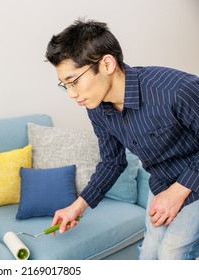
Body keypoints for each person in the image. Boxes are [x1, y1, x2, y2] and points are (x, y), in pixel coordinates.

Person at [45, 19, 199, 260]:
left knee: (171, 254)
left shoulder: (176, 89)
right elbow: (112, 162)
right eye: (65, 85)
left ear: (107, 63)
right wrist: (77, 207)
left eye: (74, 81)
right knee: (149, 254)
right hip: (161, 182)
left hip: (194, 178)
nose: (72, 94)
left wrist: (179, 191)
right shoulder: (96, 106)